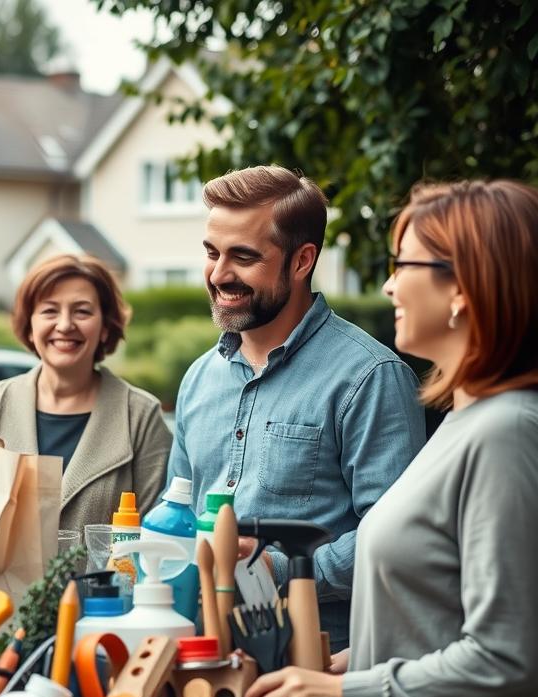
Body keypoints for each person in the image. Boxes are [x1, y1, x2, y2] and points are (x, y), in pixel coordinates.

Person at [246, 179, 538, 697]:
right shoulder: (463, 421)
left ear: (463, 286)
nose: (387, 285)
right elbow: (444, 610)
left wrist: (343, 694)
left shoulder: (507, 432)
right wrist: (359, 662)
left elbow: (506, 657)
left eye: (403, 264)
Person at [167, 166, 426, 650]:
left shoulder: (370, 377)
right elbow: (178, 511)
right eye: (211, 253)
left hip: (319, 668)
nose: (219, 274)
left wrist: (282, 571)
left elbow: (398, 542)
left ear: (302, 260)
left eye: (243, 257)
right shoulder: (198, 378)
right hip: (206, 657)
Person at [0, 254, 172, 531]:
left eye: (82, 311)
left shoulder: (141, 417)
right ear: (30, 325)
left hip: (105, 576)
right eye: (50, 310)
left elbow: (154, 536)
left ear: (106, 327)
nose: (64, 325)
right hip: (4, 578)